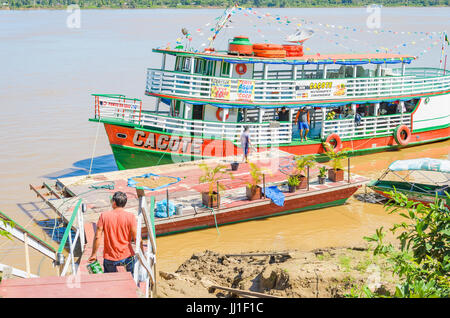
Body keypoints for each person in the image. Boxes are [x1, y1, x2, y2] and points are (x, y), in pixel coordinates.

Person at [88, 191, 140, 274]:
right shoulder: (131, 217)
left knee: (111, 283)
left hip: (110, 258)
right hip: (127, 256)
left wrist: (94, 254)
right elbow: (137, 238)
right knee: (130, 282)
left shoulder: (104, 216)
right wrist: (142, 253)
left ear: (114, 202)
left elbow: (98, 236)